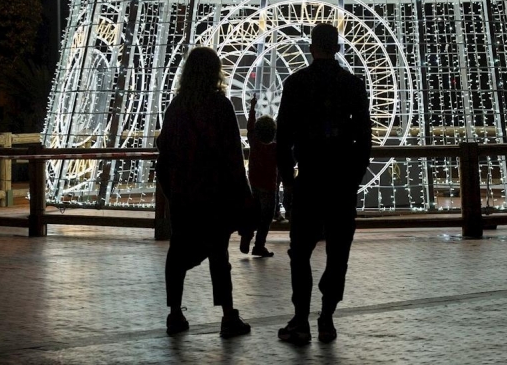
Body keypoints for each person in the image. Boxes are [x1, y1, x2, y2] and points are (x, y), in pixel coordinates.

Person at [275, 23, 372, 344]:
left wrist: (288, 180)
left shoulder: (297, 83)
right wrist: (354, 176)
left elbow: (283, 137)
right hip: (341, 182)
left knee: (300, 252)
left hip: (310, 178)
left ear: (312, 47)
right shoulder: (353, 85)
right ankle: (327, 317)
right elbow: (364, 138)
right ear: (338, 47)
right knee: (338, 252)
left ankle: (300, 319)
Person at [156, 46, 252, 338]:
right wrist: (243, 196)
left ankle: (174, 312)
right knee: (218, 256)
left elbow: (164, 156)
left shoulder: (175, 108)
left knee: (178, 254)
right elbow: (233, 157)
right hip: (215, 197)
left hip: (185, 198)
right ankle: (227, 315)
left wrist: (173, 192)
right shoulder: (220, 107)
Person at [240, 95, 280, 257]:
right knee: (265, 220)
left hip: (254, 185)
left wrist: (252, 108)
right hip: (269, 189)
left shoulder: (254, 144)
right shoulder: (276, 149)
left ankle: (246, 235)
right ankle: (259, 245)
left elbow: (249, 128)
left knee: (252, 215)